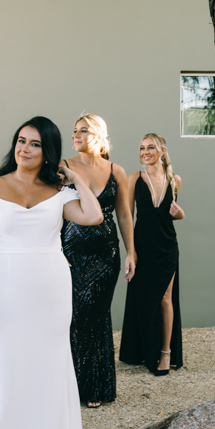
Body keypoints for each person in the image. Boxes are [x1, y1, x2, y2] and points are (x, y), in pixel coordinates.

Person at [0, 116, 103, 429]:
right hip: (5, 287)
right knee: (6, 363)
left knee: (49, 364)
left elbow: (94, 216)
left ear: (47, 151)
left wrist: (75, 178)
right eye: (21, 141)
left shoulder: (59, 193)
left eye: (35, 144)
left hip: (51, 287)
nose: (25, 149)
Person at [59, 113, 136, 407]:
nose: (76, 136)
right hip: (71, 254)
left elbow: (125, 214)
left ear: (99, 135)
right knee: (75, 316)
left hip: (107, 254)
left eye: (84, 131)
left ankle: (95, 387)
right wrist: (54, 249)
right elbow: (52, 210)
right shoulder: (63, 168)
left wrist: (131, 251)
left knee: (97, 316)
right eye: (75, 131)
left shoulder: (116, 171)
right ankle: (70, 385)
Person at [119, 133, 185, 376]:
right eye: (141, 148)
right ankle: (145, 351)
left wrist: (181, 215)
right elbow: (126, 217)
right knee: (145, 299)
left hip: (167, 247)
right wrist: (130, 252)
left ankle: (166, 353)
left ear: (162, 150)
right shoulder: (133, 178)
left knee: (166, 299)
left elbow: (173, 214)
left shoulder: (175, 180)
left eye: (150, 147)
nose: (145, 152)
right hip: (142, 248)